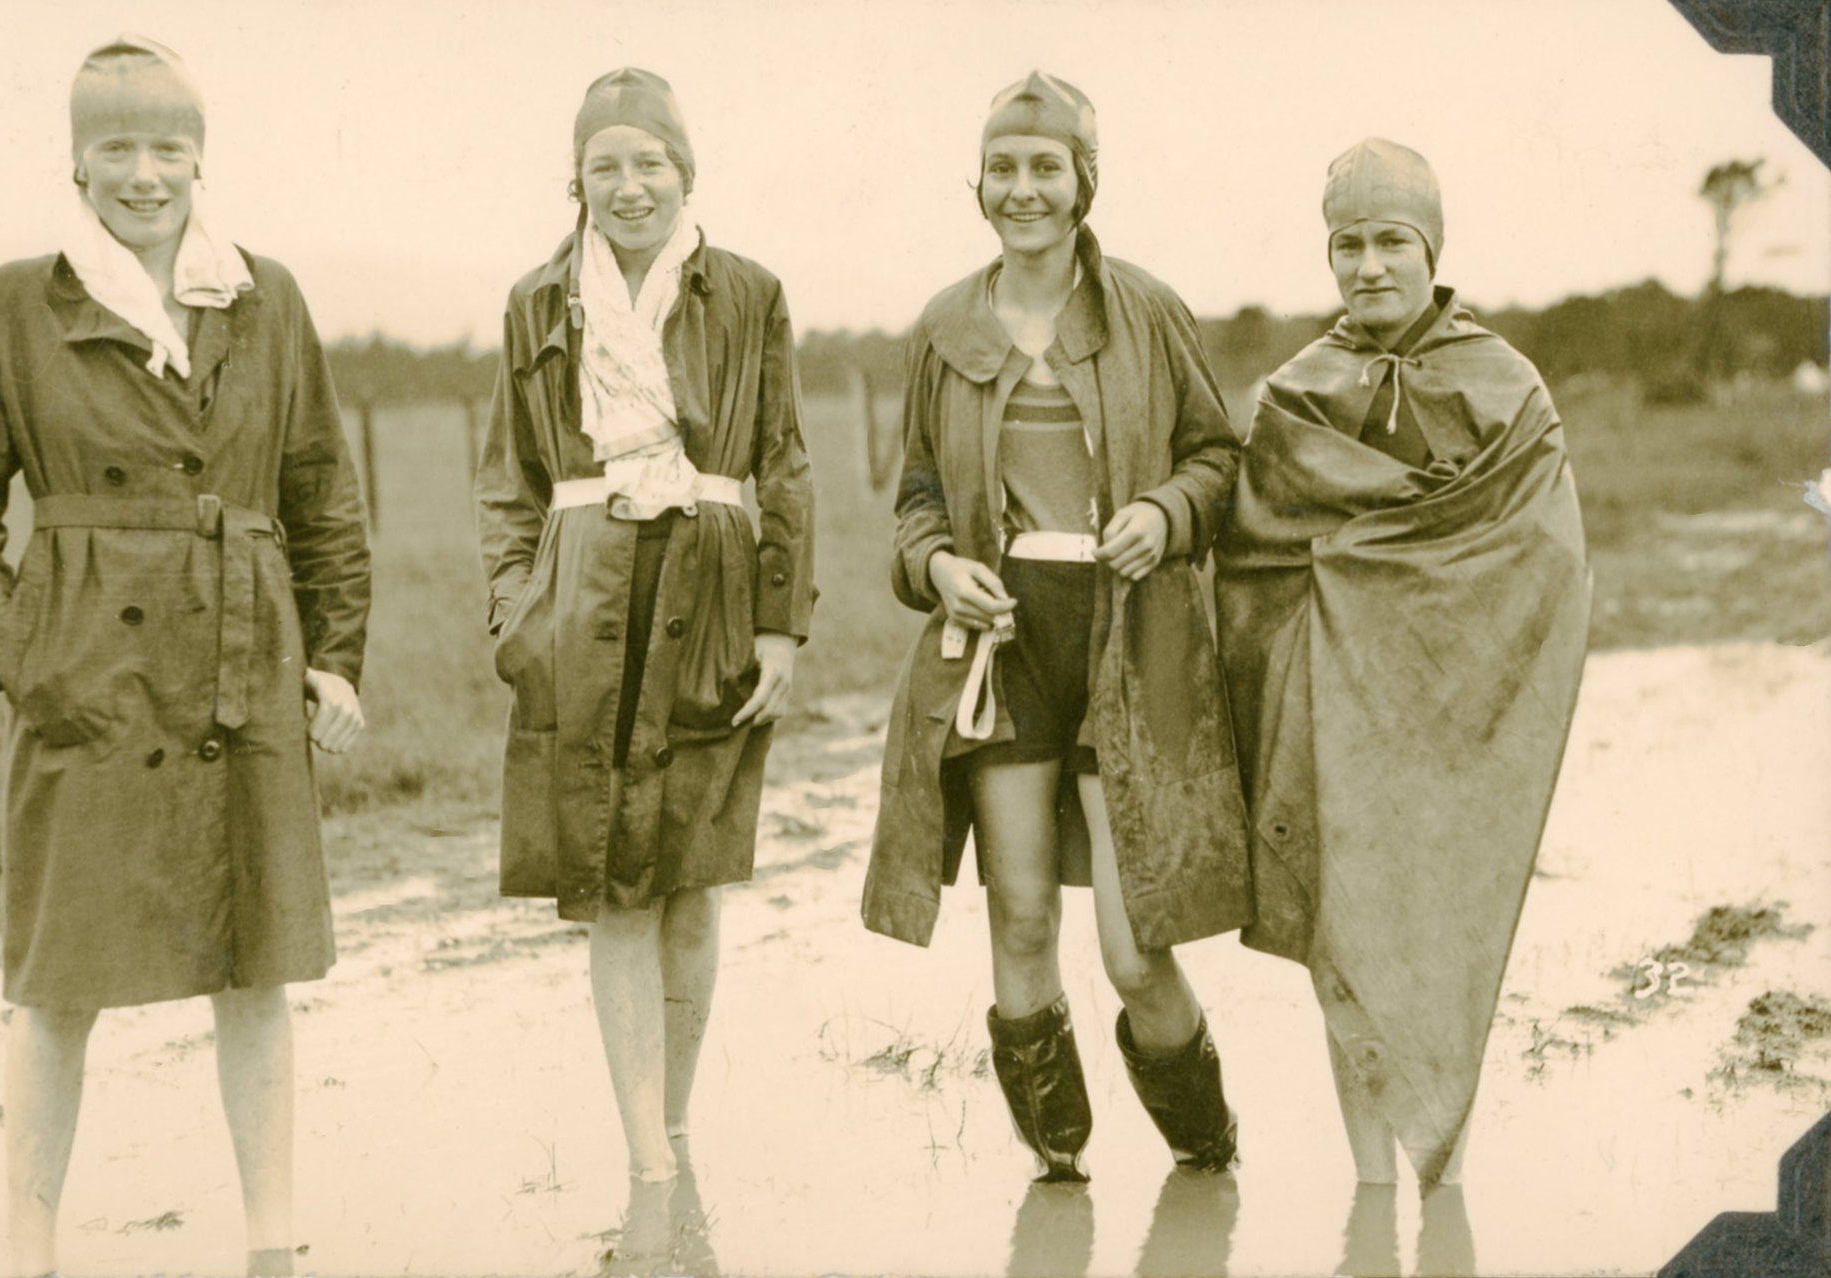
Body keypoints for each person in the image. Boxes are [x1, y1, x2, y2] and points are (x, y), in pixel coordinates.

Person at [0, 36, 370, 1278]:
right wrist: (20, 650)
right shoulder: (21, 302)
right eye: (115, 145)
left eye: (168, 145)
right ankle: (27, 1245)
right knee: (58, 979)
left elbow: (323, 492)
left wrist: (332, 660)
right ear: (74, 160)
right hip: (88, 685)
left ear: (199, 155)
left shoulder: (263, 295)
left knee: (253, 967)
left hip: (244, 664)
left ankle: (272, 1242)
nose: (145, 173)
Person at [862, 72, 1252, 1183]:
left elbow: (1216, 462)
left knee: (1136, 952)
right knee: (1020, 917)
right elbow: (916, 500)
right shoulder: (941, 328)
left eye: (1044, 166)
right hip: (1003, 645)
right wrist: (938, 566)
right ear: (975, 181)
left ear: (1086, 179)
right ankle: (1058, 1169)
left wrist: (1163, 512)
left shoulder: (1147, 310)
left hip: (1130, 637)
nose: (1022, 188)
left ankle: (1203, 1148)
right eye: (1002, 167)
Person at [1213, 138, 1589, 1193]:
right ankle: (1370, 1186)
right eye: (1347, 244)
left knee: (1440, 930)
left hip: (1456, 715)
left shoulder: (1504, 384)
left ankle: (1447, 1177)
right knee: (1346, 929)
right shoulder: (1295, 392)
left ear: (1429, 249)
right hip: (1331, 709)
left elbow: (1545, 553)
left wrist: (1436, 615)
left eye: (1390, 241)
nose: (1368, 264)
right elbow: (1253, 551)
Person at [475, 67, 815, 1188]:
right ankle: (643, 1155)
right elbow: (508, 481)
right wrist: (513, 611)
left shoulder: (750, 292)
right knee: (607, 874)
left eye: (649, 164)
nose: (628, 188)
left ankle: (670, 1124)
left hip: (711, 585)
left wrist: (781, 629)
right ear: (573, 178)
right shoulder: (535, 299)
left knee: (688, 870)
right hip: (583, 591)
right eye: (605, 165)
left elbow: (785, 463)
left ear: (685, 172)